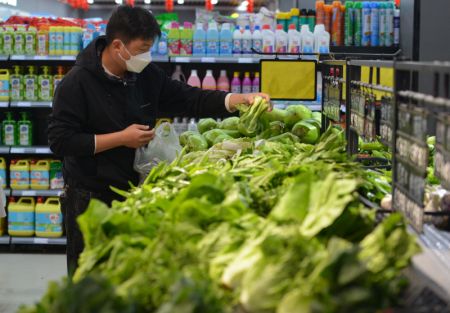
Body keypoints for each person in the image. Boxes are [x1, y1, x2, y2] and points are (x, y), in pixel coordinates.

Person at [48, 5, 270, 275]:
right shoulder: (76, 83)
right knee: (89, 275)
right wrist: (121, 138)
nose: (146, 56)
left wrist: (238, 100)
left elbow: (189, 98)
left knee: (127, 274)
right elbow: (61, 141)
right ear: (118, 46)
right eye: (142, 49)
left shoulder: (145, 75)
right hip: (89, 195)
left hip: (134, 190)